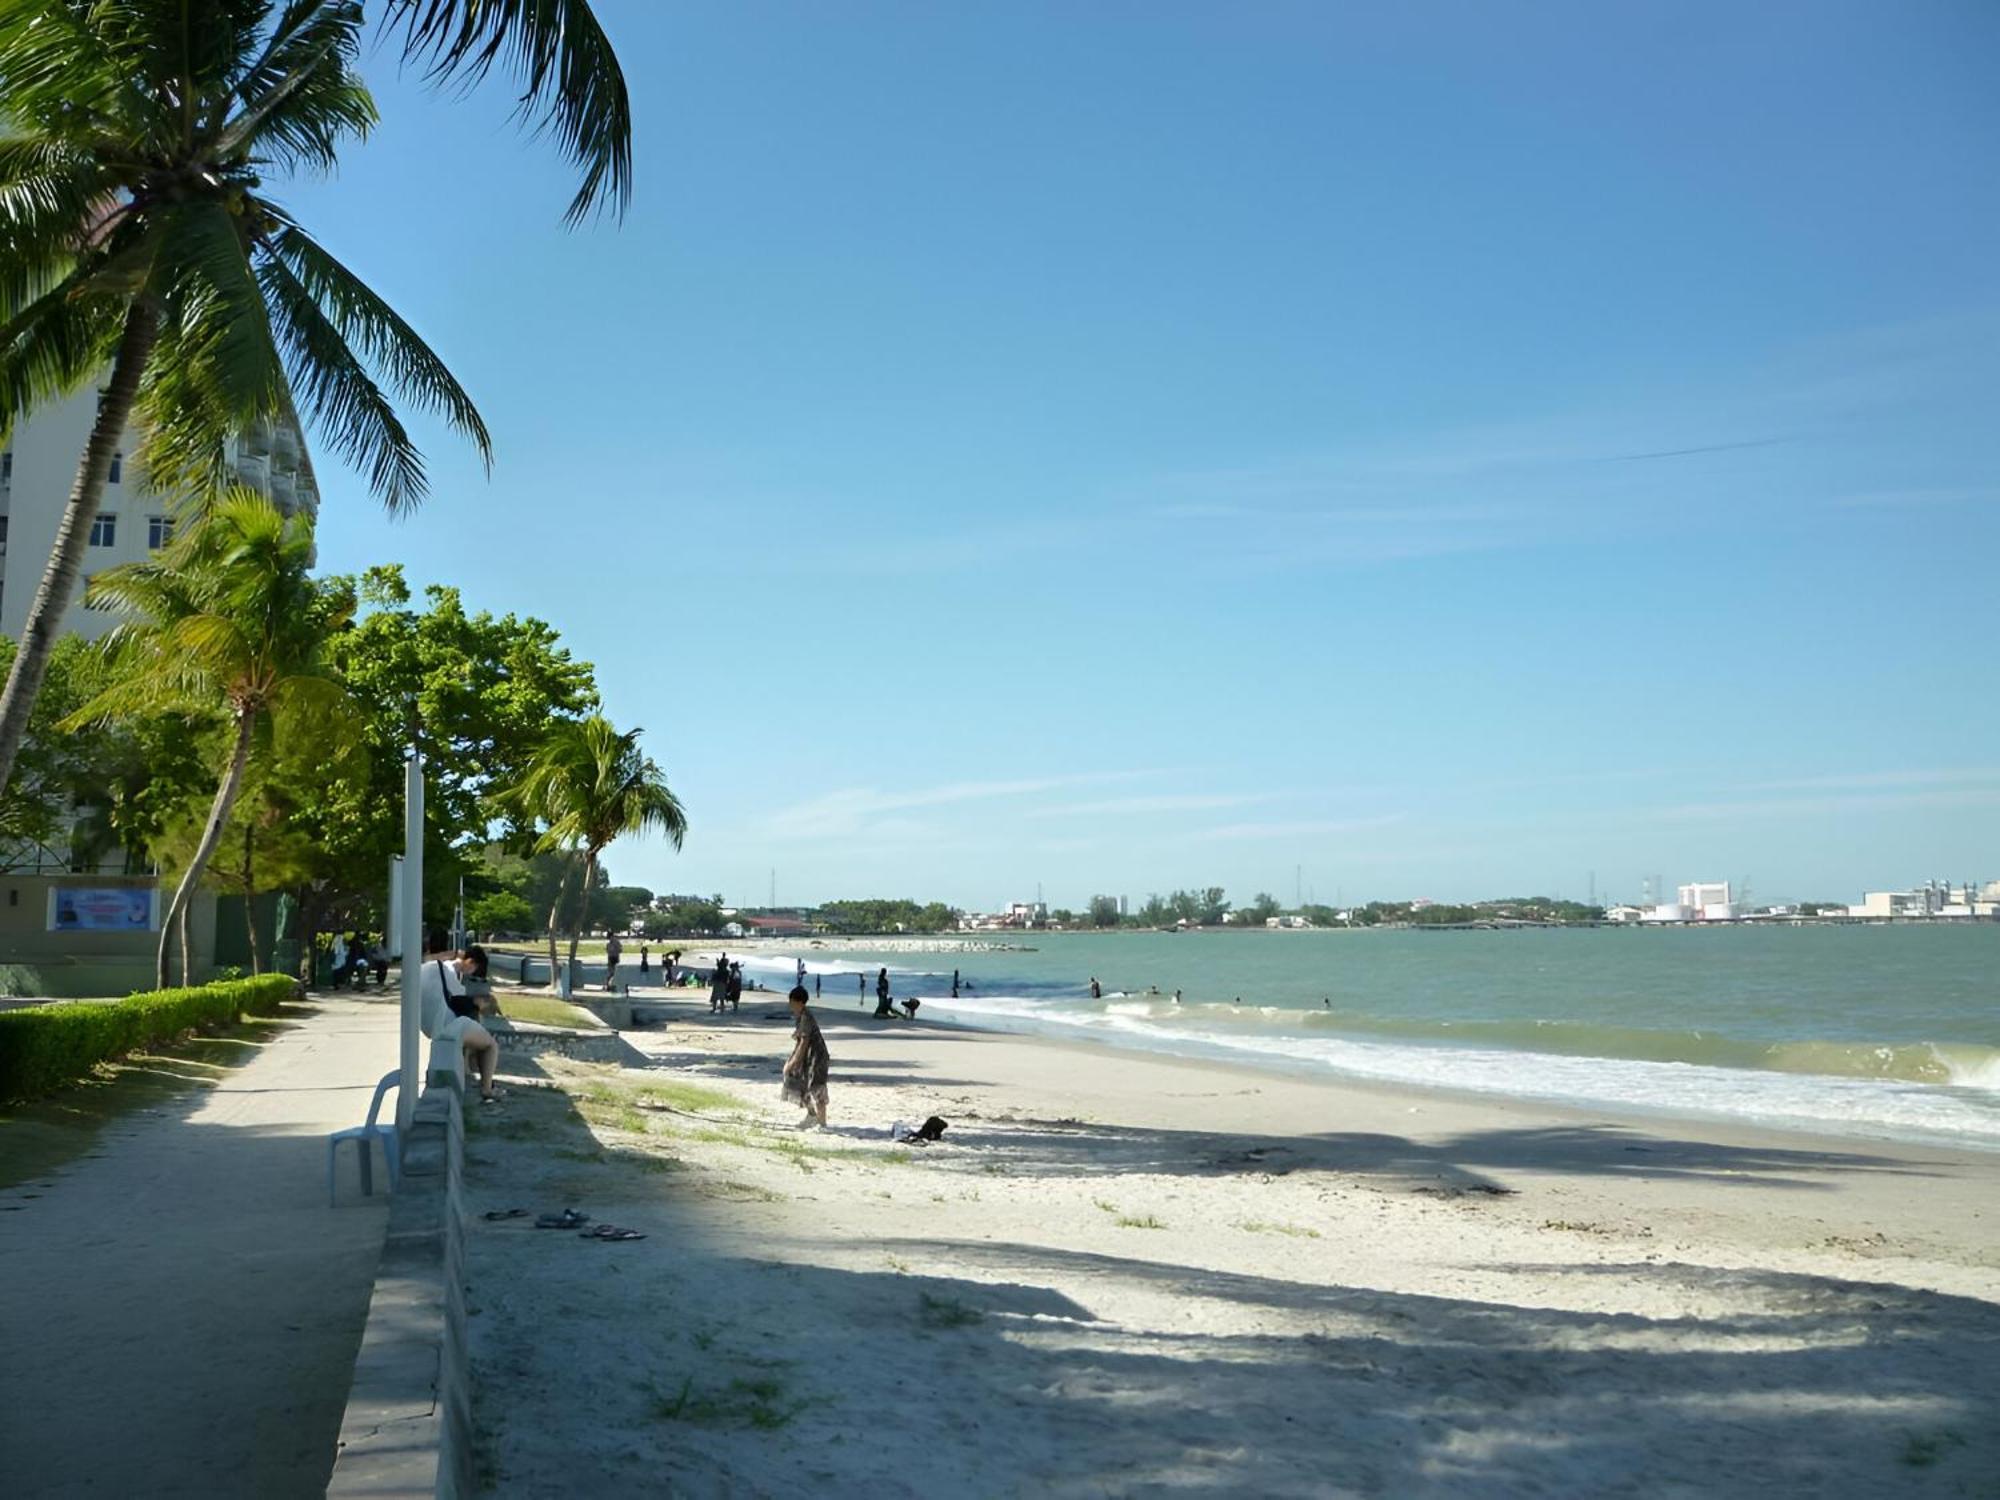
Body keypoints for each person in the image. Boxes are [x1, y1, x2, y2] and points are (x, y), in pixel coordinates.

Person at [418, 936, 503, 1105]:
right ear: (470, 962)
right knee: (490, 1045)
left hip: (427, 1024)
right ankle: (487, 1089)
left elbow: (425, 960)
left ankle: (468, 1070)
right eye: (475, 971)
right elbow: (461, 1004)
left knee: (473, 1028)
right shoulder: (452, 976)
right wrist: (480, 1003)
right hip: (446, 1026)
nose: (472, 975)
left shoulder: (438, 967)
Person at [783, 985, 830, 1129]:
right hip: (808, 1056)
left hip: (817, 1056)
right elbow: (799, 1043)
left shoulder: (806, 1018)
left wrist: (794, 1062)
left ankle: (822, 1124)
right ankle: (811, 1115)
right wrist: (792, 1060)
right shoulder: (800, 1017)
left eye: (792, 1002)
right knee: (800, 1084)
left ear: (800, 1002)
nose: (790, 1005)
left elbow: (804, 1042)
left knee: (817, 1087)